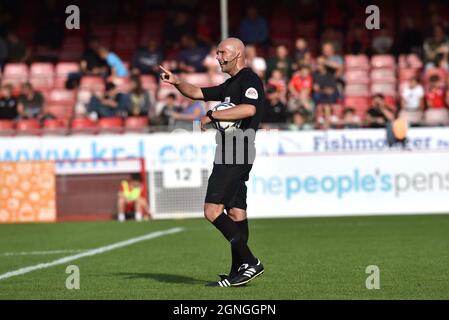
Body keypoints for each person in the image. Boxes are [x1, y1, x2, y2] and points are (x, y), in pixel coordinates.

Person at [159, 37, 265, 287]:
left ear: (237, 54)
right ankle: (239, 269)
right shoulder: (230, 85)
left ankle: (250, 262)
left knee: (212, 210)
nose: (217, 57)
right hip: (233, 151)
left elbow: (249, 109)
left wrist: (213, 115)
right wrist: (176, 82)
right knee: (237, 212)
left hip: (236, 152)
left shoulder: (249, 80)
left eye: (222, 52)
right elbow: (197, 93)